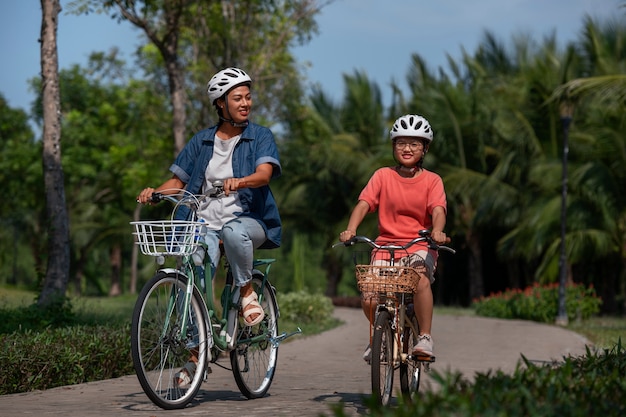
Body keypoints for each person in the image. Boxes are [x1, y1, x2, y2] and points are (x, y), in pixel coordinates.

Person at [137, 67, 282, 385]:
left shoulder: (260, 136)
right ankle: (195, 358)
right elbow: (178, 181)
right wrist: (155, 193)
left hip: (248, 222)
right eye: (237, 98)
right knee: (192, 274)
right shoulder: (201, 141)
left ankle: (246, 291)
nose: (246, 103)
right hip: (202, 224)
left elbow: (264, 174)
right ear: (221, 103)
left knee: (232, 231)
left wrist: (240, 181)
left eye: (248, 96)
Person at [339, 114, 447, 360]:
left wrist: (438, 231)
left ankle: (425, 337)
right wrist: (351, 228)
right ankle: (380, 335)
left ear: (425, 148)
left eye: (414, 144)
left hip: (419, 245)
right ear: (393, 146)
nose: (407, 149)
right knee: (370, 294)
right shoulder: (382, 176)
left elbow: (438, 211)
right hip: (386, 246)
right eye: (401, 143)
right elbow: (364, 204)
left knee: (419, 280)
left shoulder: (432, 180)